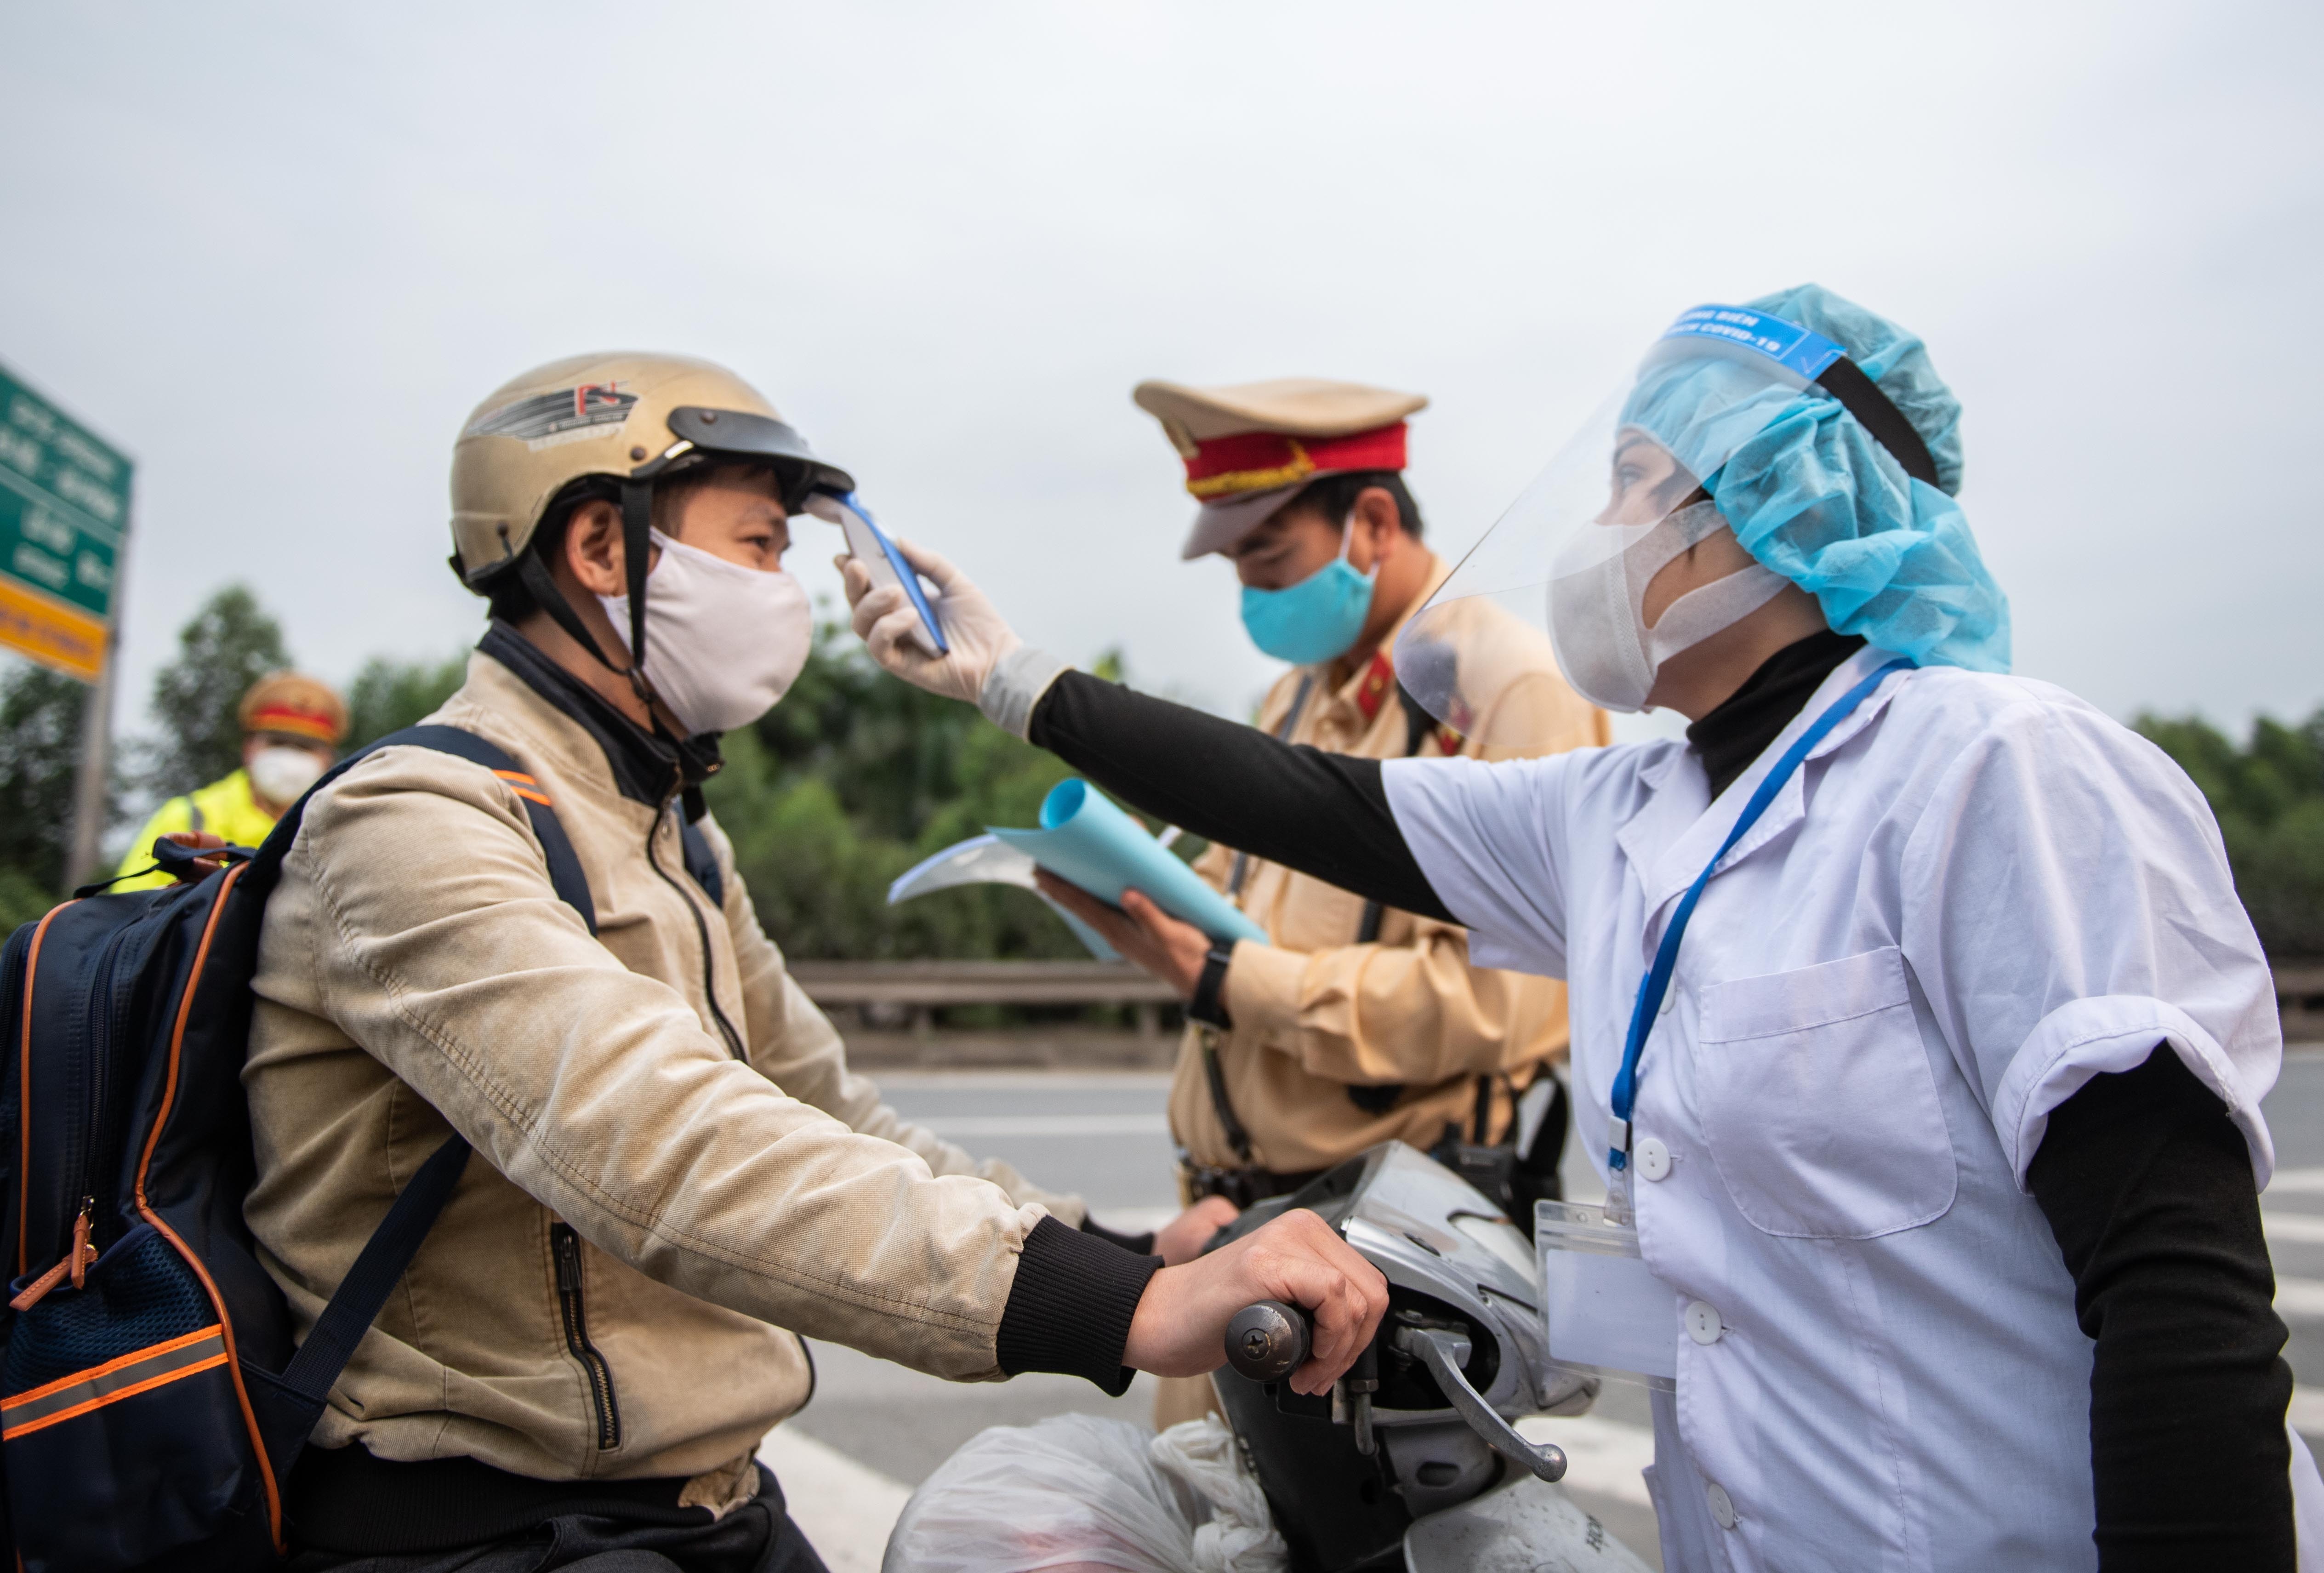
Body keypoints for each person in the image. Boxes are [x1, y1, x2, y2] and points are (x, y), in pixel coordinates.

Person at [846, 287, 2316, 1571]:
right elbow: (1323, 804)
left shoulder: (2001, 773)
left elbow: (2174, 1286)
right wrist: (1009, 677)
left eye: (1630, 482)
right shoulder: (1626, 805)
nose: (1597, 529)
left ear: (1771, 510)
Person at [246, 352, 1388, 1573]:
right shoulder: (417, 822)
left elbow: (826, 1113)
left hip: (696, 1503)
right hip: (490, 1524)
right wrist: (1122, 1314)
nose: (786, 589)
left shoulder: (667, 827)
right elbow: (652, 1138)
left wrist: (1118, 1249)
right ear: (599, 549)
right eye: (756, 545)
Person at [1045, 377, 1604, 1429]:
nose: (1251, 595)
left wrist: (1222, 977)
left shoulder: (1503, 686)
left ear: (1373, 525)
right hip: (1235, 1233)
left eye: (1267, 559)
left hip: (1378, 1259)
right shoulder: (1296, 695)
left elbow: (1511, 1004)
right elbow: (1248, 896)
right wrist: (1138, 895)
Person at [112, 670, 346, 889]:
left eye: (305, 748)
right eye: (277, 743)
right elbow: (127, 922)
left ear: (328, 759)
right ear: (249, 749)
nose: (290, 759)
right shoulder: (188, 818)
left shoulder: (344, 829)